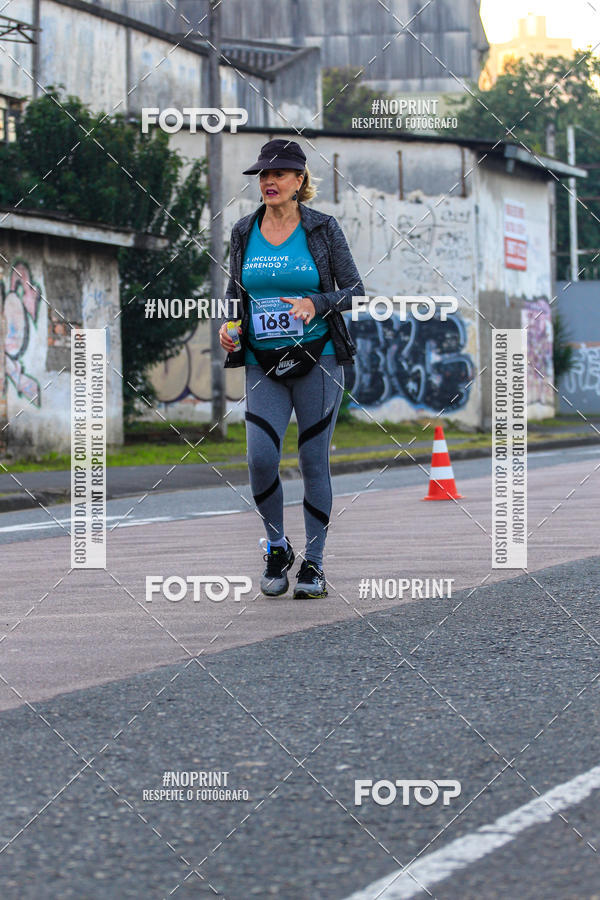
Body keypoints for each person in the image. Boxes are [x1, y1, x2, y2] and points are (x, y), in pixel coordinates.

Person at [219, 139, 364, 599]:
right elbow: (233, 295)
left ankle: (315, 566)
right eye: (263, 175)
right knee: (260, 457)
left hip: (317, 357)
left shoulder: (322, 229)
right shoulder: (244, 230)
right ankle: (278, 547)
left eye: (279, 174)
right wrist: (231, 328)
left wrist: (314, 302)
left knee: (310, 460)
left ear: (300, 180)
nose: (269, 182)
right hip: (263, 361)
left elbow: (355, 290)